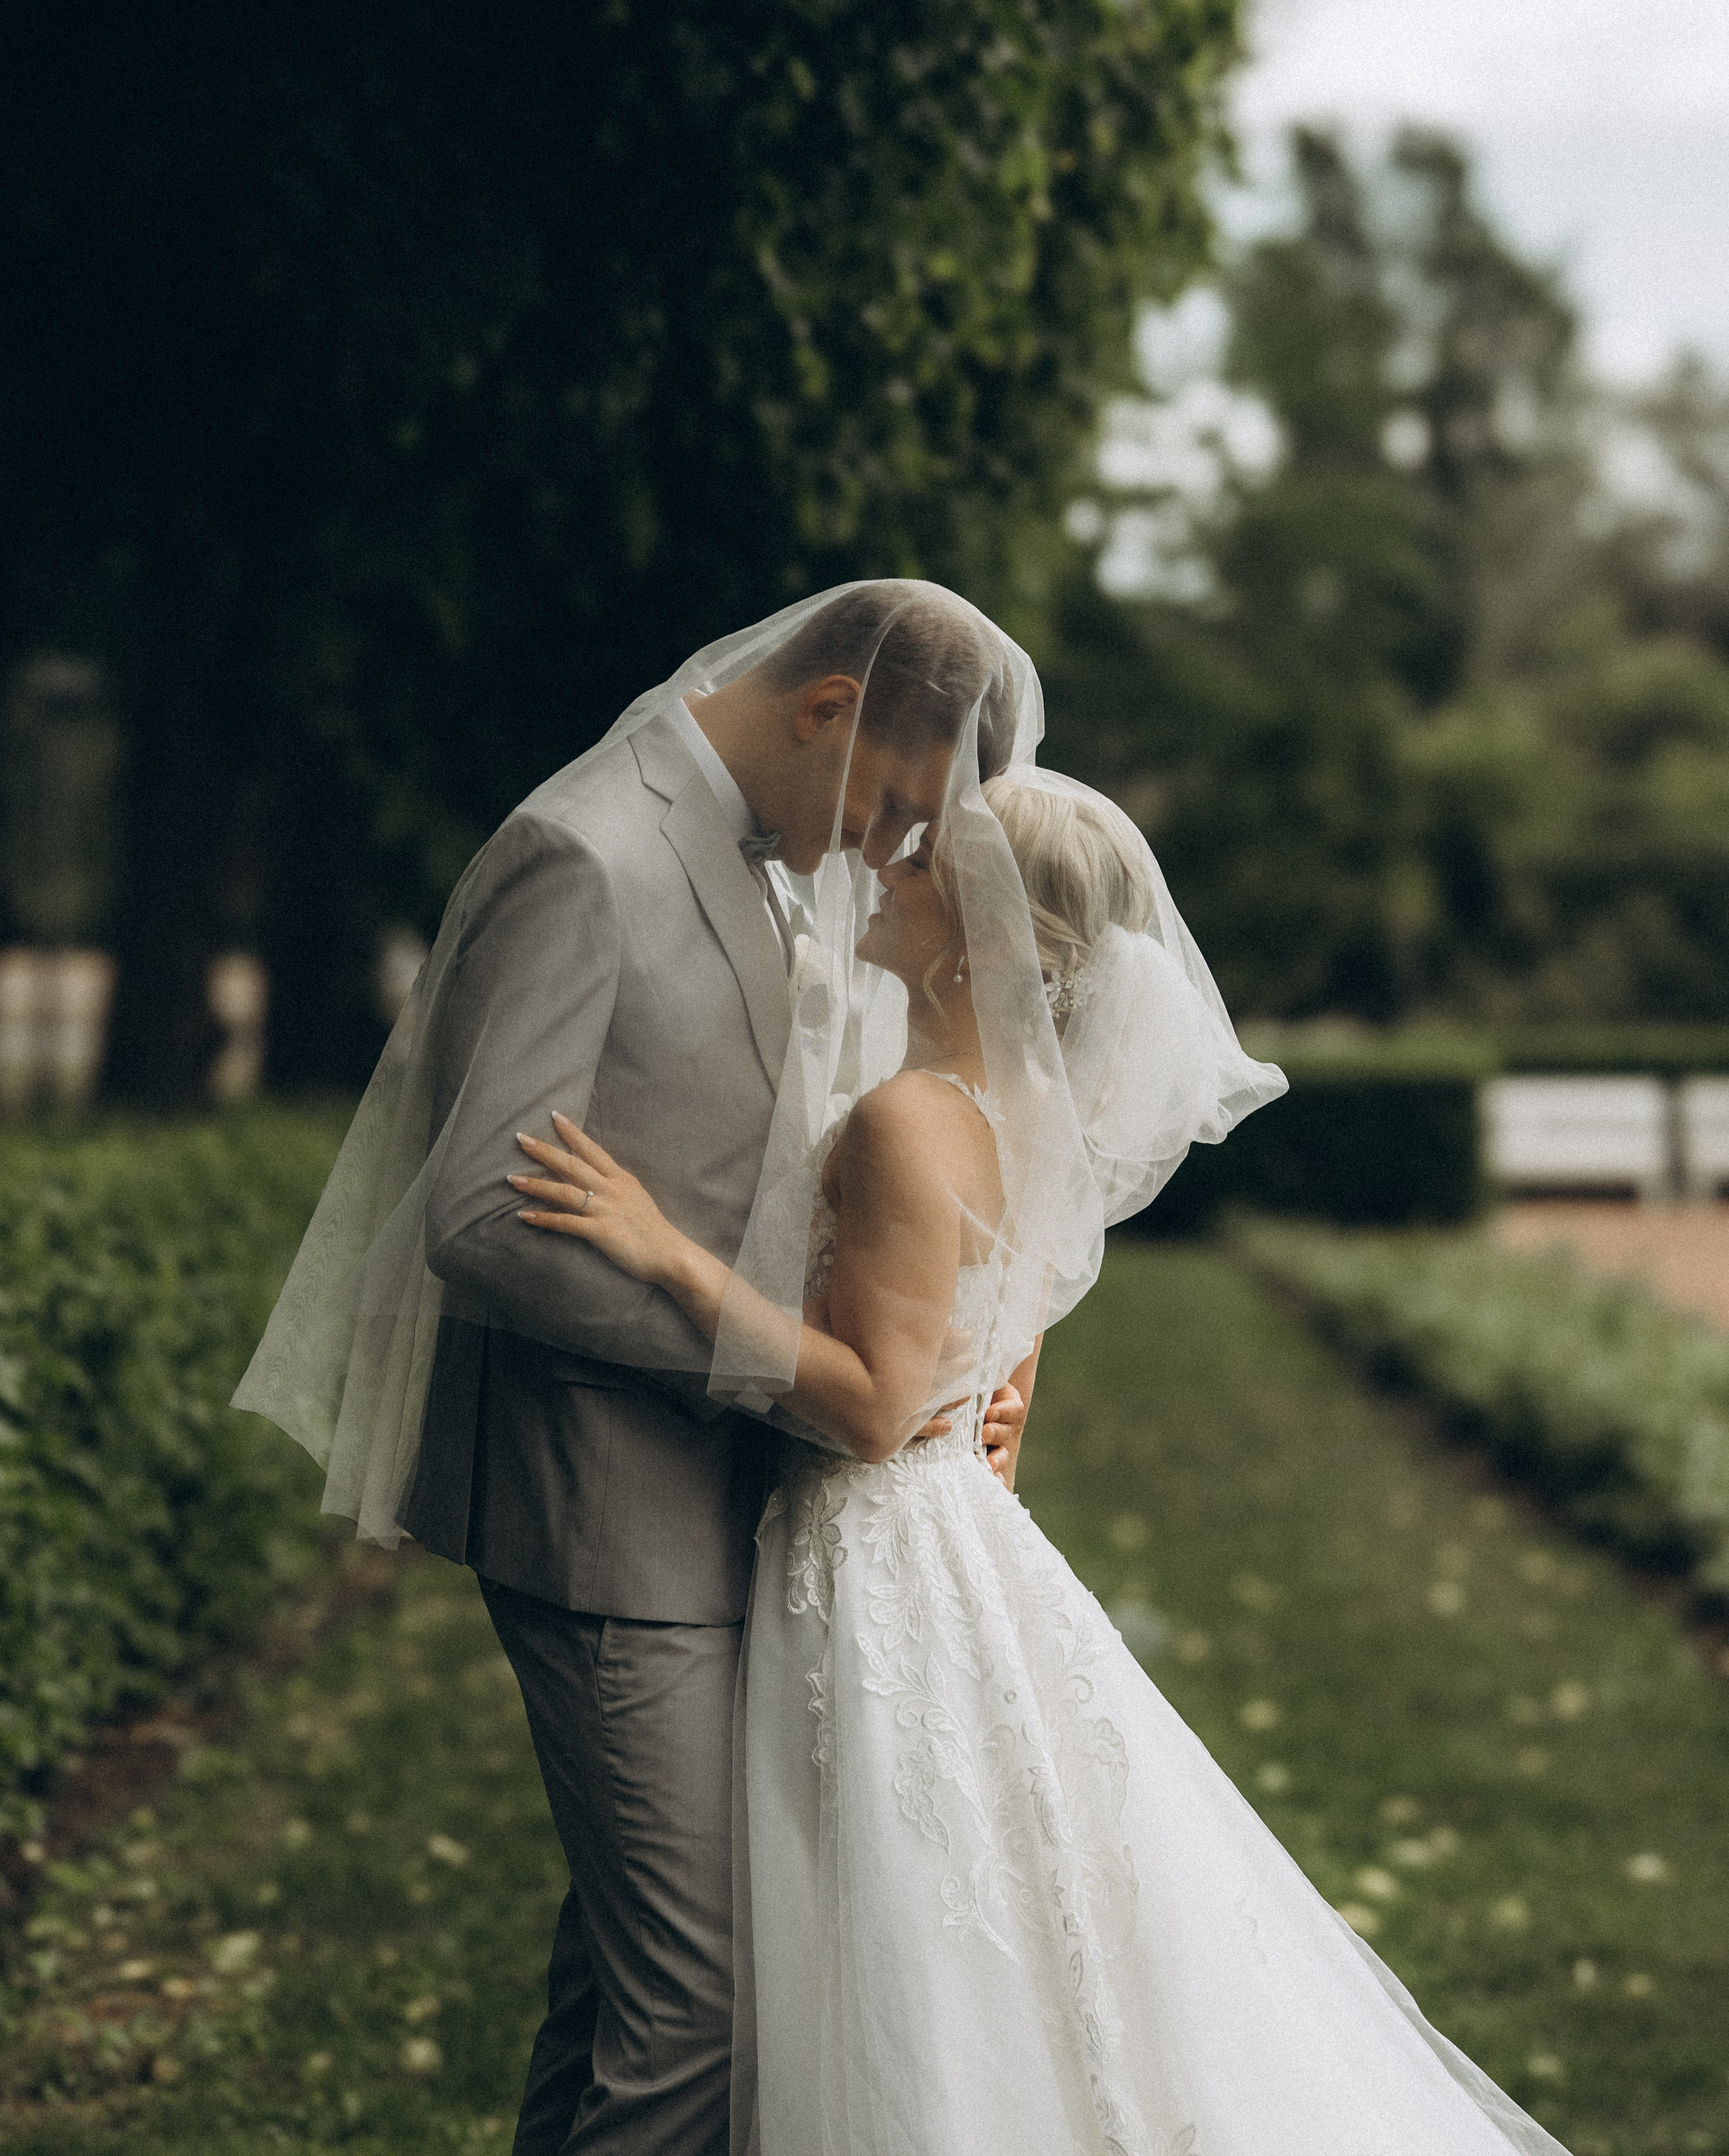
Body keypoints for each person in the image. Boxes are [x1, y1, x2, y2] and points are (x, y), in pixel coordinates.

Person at [511, 767, 1575, 2156]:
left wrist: (664, 1253)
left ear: (972, 932)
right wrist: (998, 1386)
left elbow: (876, 1408)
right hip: (954, 1527)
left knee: (889, 1908)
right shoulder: (1023, 1111)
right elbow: (1004, 1316)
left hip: (875, 1538)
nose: (883, 869)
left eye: (915, 867)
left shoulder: (906, 1117)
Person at [234, 581, 1038, 2156]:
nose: (885, 852)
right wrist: (761, 1364)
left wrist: (943, 1362)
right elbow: (478, 1215)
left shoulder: (762, 856)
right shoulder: (581, 854)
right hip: (601, 1509)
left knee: (622, 1977)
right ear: (825, 711)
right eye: (889, 806)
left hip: (712, 1500)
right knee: (704, 2003)